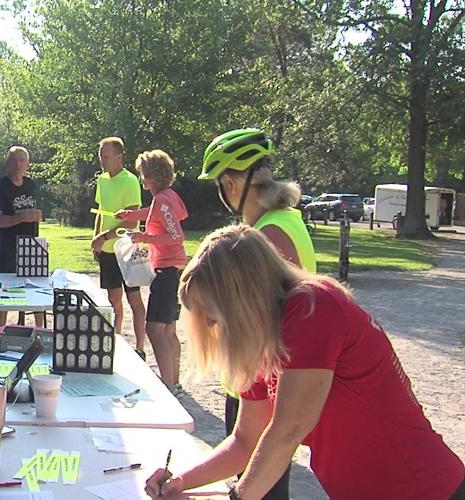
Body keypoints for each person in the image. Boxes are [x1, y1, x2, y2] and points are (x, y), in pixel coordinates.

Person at [145, 225, 464, 500]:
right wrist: (181, 482)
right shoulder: (267, 334)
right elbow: (244, 441)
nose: (214, 329)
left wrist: (237, 497)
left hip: (424, 490)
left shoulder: (313, 306)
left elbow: (288, 429)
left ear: (241, 300)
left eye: (215, 316)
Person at [197, 127, 316, 499]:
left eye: (220, 183)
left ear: (231, 183)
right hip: (261, 383)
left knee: (262, 488)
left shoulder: (267, 235)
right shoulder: (283, 220)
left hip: (262, 386)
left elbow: (256, 319)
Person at [115, 150, 187, 390]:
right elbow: (162, 212)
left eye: (143, 175)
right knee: (167, 328)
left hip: (166, 269)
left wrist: (144, 237)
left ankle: (167, 385)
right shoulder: (169, 197)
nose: (141, 179)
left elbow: (176, 236)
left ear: (153, 176)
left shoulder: (163, 199)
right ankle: (173, 380)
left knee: (154, 328)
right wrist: (131, 215)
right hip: (173, 269)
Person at [90, 137, 146, 354]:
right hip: (107, 250)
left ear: (119, 157)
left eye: (106, 156)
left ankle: (140, 347)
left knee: (134, 298)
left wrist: (104, 236)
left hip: (128, 247)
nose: (102, 160)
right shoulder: (102, 180)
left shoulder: (130, 181)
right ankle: (116, 344)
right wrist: (96, 239)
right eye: (100, 156)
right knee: (114, 299)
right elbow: (100, 212)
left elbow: (133, 220)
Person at [0, 146, 44, 327]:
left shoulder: (32, 185)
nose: (18, 164)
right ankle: (0, 330)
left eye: (21, 160)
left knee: (38, 291)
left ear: (28, 164)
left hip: (32, 245)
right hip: (7, 246)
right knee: (5, 292)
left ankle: (41, 330)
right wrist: (21, 218)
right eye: (13, 160)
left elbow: (38, 214)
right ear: (7, 163)